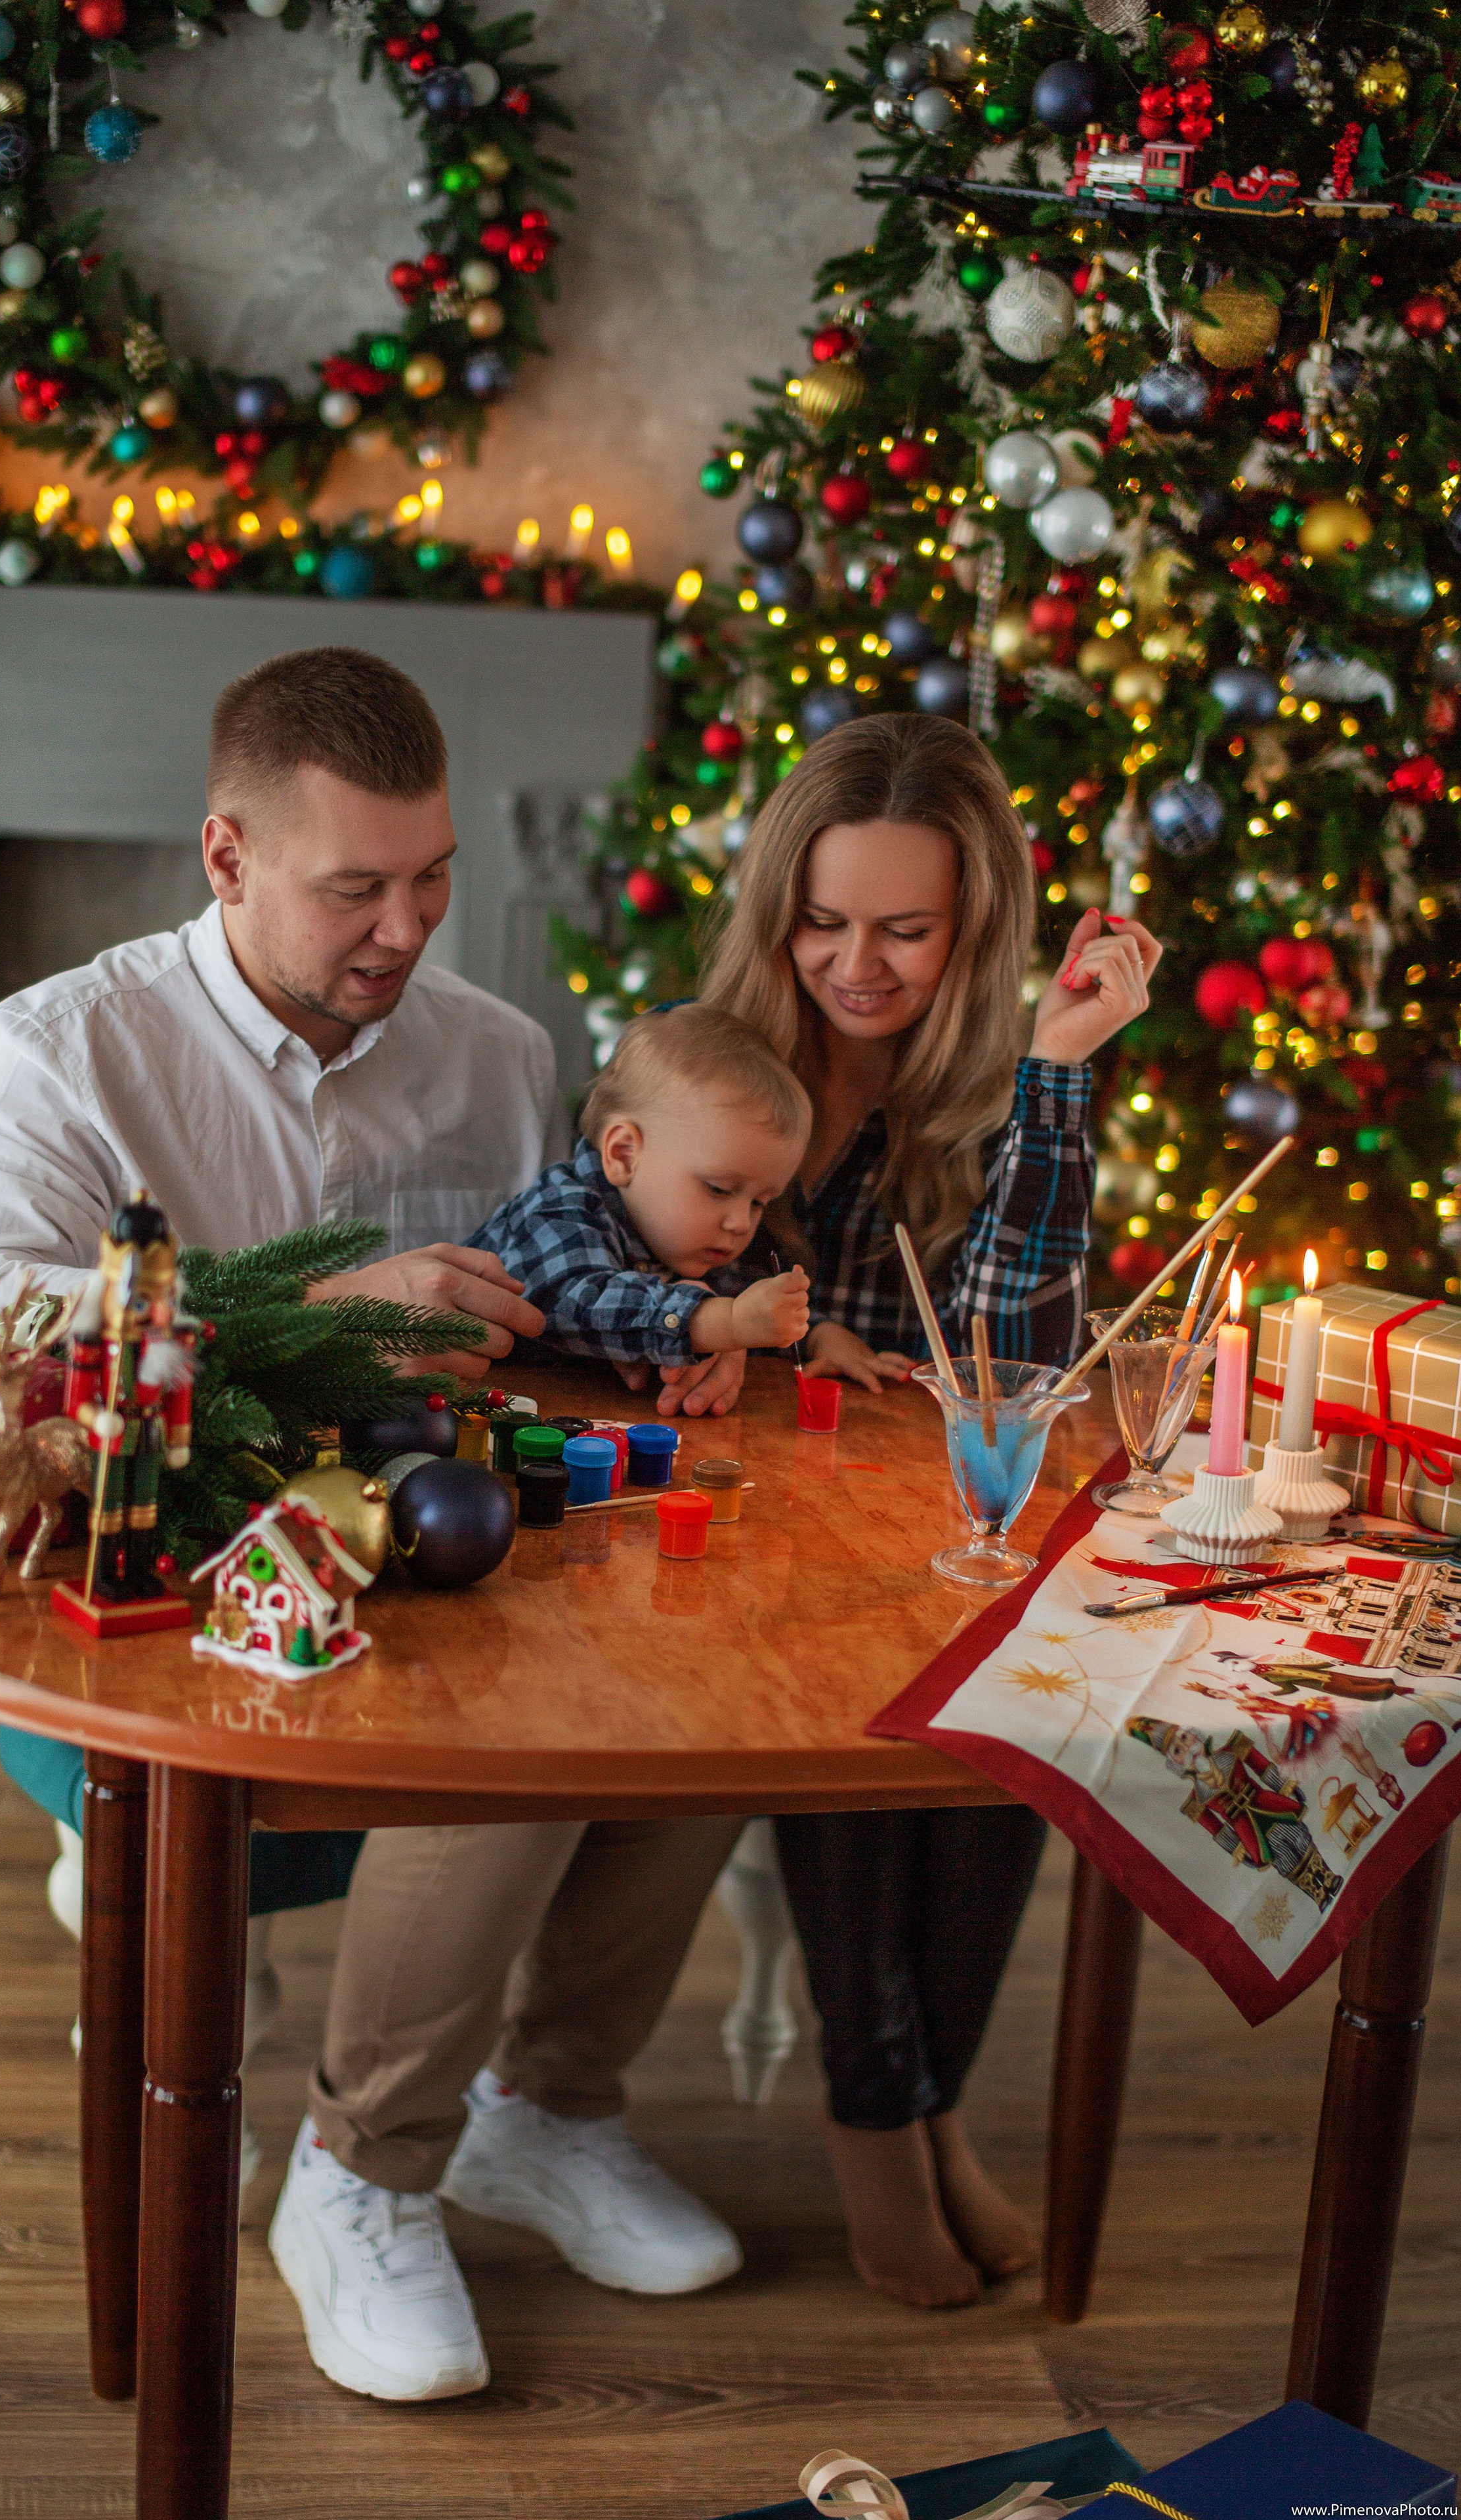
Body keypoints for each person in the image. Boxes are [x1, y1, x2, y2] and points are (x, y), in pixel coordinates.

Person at [0, 645, 748, 2404]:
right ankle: (336, 2149)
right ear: (226, 859)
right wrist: (330, 1311)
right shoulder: (65, 1044)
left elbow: (563, 1288)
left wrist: (657, 1343)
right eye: (353, 887)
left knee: (705, 1687)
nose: (405, 925)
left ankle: (538, 2111)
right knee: (489, 1740)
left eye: (432, 874)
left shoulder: (503, 1054)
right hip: (159, 1575)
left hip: (446, 1549)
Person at [699, 711, 1162, 2309]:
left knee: (1007, 1716)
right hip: (748, 1521)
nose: (855, 966)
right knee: (859, 1714)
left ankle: (926, 2103)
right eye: (820, 921)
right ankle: (874, 2128)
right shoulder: (709, 1066)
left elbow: (1008, 1357)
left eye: (903, 928)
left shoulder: (988, 1090)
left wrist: (1048, 1078)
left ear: (971, 926)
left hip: (930, 1518)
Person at [468, 1003, 813, 1372]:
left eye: (760, 1202)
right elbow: (574, 1305)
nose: (741, 1223)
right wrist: (721, 1322)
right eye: (719, 1189)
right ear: (625, 1155)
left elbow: (748, 1306)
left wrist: (812, 1335)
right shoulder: (558, 1209)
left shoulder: (685, 1242)